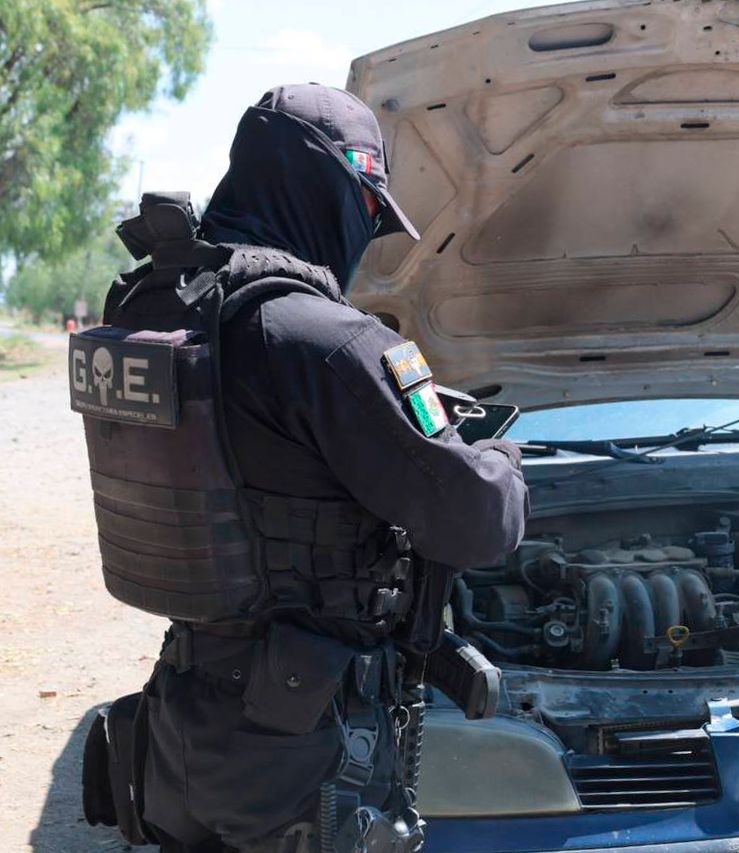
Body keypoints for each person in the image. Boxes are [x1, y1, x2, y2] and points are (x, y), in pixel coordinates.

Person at [72, 84, 528, 852]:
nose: (364, 235)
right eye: (368, 212)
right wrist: (501, 460)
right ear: (330, 189)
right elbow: (476, 519)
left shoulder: (158, 313)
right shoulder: (329, 344)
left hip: (184, 719)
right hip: (301, 751)